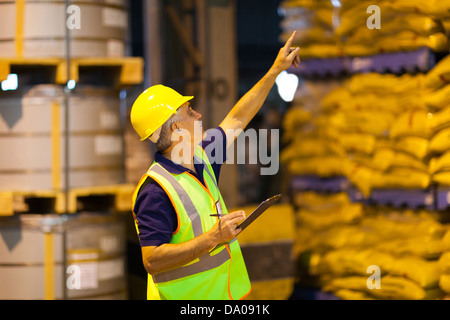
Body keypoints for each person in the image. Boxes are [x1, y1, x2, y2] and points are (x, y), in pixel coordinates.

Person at [130, 31, 300, 300]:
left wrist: (275, 70)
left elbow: (237, 118)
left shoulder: (202, 155)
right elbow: (152, 260)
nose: (198, 114)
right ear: (175, 129)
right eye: (189, 112)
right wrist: (213, 238)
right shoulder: (155, 191)